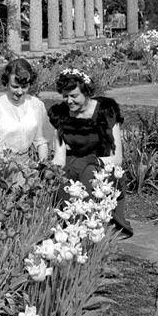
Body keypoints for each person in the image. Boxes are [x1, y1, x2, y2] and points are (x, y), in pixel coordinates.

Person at [48, 68, 133, 238]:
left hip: (103, 164)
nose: (69, 101)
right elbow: (59, 157)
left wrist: (92, 161)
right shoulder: (61, 114)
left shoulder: (105, 110)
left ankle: (88, 228)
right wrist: (50, 172)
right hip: (74, 163)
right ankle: (67, 229)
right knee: (63, 180)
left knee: (89, 177)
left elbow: (117, 159)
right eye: (65, 96)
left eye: (74, 96)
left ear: (86, 92)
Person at [0, 58, 50, 164]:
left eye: (24, 87)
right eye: (14, 86)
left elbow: (42, 141)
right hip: (2, 167)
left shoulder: (36, 106)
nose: (19, 92)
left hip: (29, 166)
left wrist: (43, 165)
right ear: (6, 83)